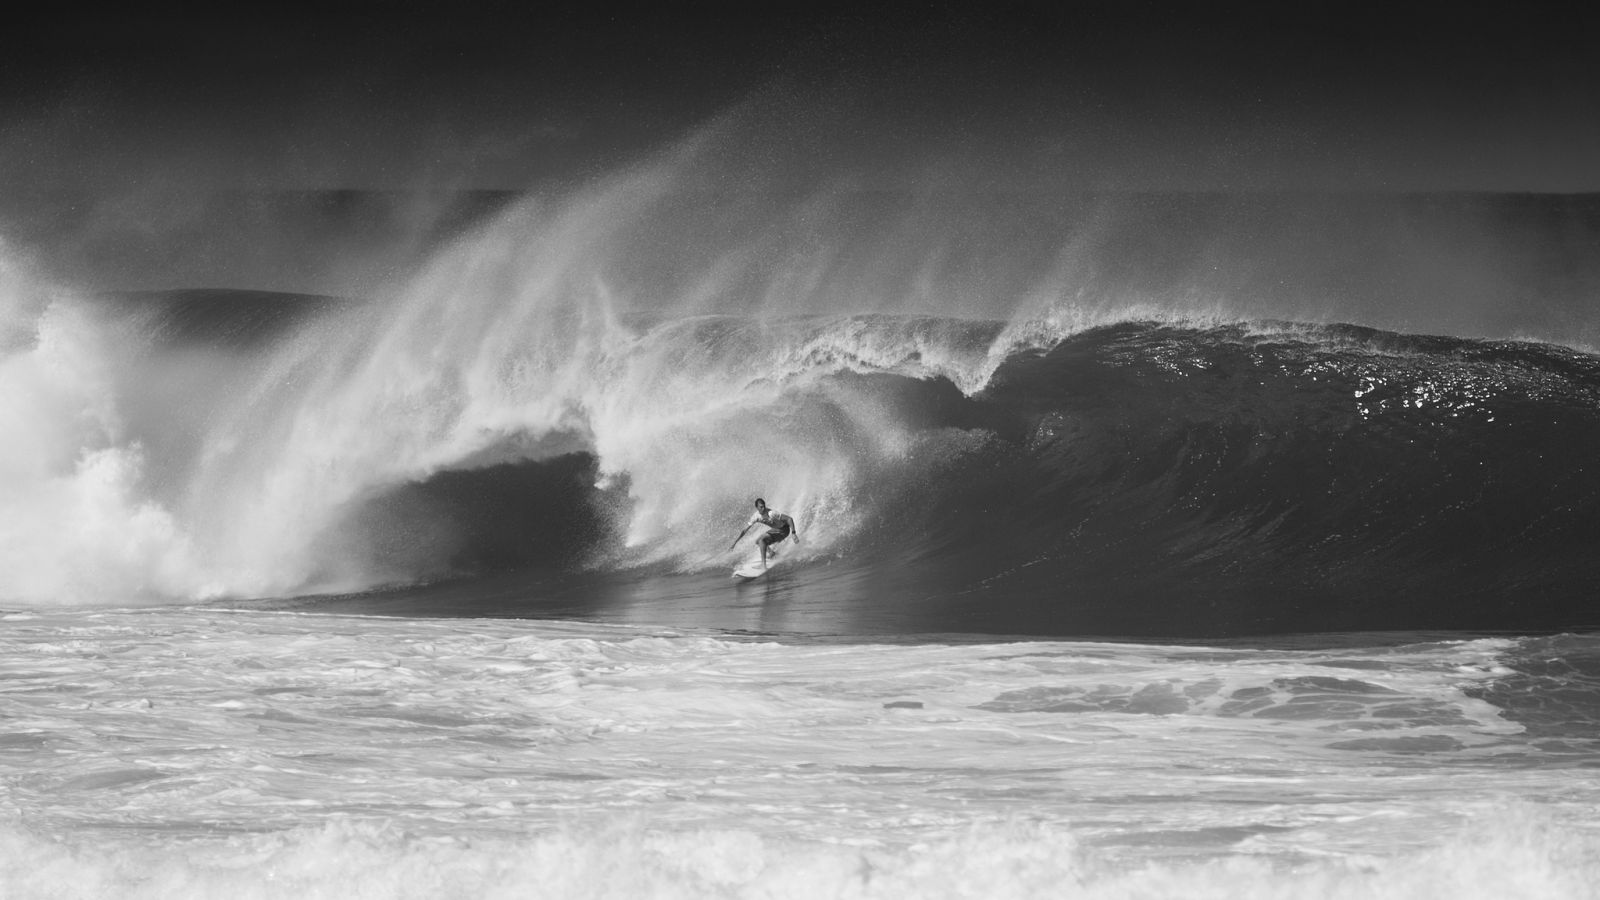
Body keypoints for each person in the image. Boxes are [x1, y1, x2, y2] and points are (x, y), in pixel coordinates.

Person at [729, 498, 799, 567]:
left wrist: (793, 533)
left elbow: (789, 519)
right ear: (757, 508)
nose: (763, 508)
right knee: (757, 541)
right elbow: (744, 530)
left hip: (784, 530)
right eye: (761, 507)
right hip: (776, 529)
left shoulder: (771, 513)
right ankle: (772, 553)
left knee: (762, 540)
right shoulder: (756, 517)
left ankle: (763, 564)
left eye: (764, 506)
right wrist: (735, 543)